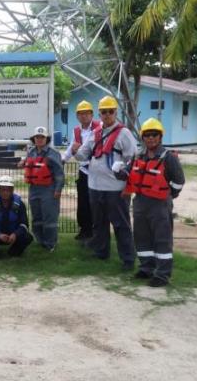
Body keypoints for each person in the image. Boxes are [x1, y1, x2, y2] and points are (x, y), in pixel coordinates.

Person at [74, 95, 138, 270]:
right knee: (99, 223)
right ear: (100, 114)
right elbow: (82, 155)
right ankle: (101, 251)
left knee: (121, 224)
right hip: (95, 186)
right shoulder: (96, 133)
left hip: (115, 188)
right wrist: (75, 151)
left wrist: (129, 187)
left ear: (116, 112)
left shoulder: (124, 133)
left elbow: (133, 160)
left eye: (110, 111)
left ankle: (128, 259)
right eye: (104, 112)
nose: (107, 115)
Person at [121, 118, 185, 287]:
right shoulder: (138, 156)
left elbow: (179, 181)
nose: (151, 138)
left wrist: (169, 195)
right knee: (141, 237)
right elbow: (128, 173)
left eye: (154, 135)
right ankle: (146, 268)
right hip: (140, 202)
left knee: (162, 239)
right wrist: (119, 172)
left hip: (160, 204)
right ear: (143, 137)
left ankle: (162, 275)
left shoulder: (168, 158)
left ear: (160, 137)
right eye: (147, 135)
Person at [19, 126, 64, 251]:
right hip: (34, 189)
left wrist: (58, 190)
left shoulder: (53, 153)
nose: (39, 139)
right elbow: (28, 163)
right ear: (33, 139)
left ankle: (50, 243)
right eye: (37, 137)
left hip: (48, 189)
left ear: (46, 139)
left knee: (49, 218)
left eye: (42, 137)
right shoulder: (31, 152)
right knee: (36, 217)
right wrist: (22, 163)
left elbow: (59, 173)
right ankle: (40, 240)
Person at [62, 100, 100, 241]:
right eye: (81, 113)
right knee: (83, 202)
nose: (84, 116)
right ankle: (84, 230)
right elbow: (71, 147)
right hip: (84, 171)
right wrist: (63, 160)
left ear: (92, 114)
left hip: (98, 171)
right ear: (77, 116)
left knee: (96, 203)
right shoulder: (76, 131)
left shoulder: (99, 127)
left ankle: (97, 231)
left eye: (86, 113)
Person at [0, 175, 33, 258]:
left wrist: (15, 234)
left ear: (12, 190)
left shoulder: (20, 204)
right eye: (3, 189)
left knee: (28, 237)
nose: (5, 192)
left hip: (13, 236)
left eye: (8, 190)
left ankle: (14, 251)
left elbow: (24, 224)